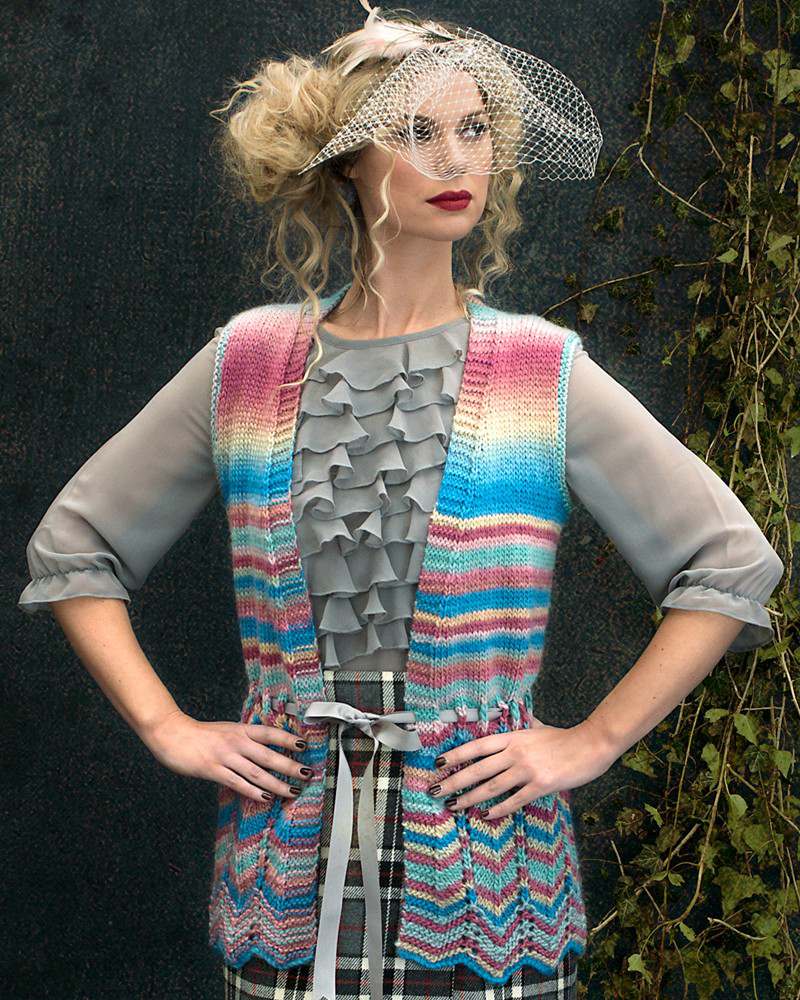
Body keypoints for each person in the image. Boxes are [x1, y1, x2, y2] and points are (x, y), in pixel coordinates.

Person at [18, 4, 784, 1000]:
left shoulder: (537, 372)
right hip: (288, 882)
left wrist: (589, 742)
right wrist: (168, 726)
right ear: (347, 163)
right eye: (416, 131)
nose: (454, 157)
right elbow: (75, 546)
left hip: (484, 882)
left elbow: (728, 562)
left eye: (473, 129)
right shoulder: (248, 362)